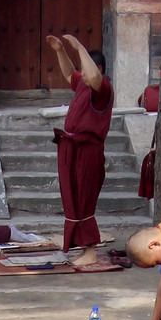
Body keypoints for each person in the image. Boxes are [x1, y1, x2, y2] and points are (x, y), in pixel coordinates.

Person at [46, 33, 114, 271]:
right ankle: (82, 247)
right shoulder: (83, 85)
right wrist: (60, 51)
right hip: (71, 148)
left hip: (88, 151)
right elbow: (68, 74)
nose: (81, 75)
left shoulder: (102, 88)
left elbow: (93, 75)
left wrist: (79, 45)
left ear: (98, 68)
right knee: (72, 197)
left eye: (85, 70)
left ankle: (91, 251)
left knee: (84, 197)